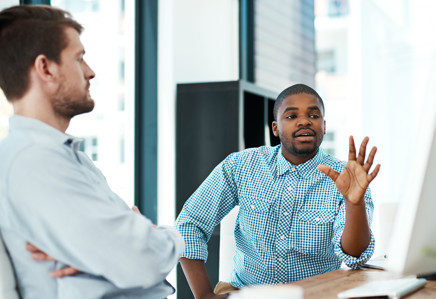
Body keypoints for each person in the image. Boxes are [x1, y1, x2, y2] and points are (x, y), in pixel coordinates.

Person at [0, 5, 184, 298]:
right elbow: (142, 260)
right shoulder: (35, 161)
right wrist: (160, 236)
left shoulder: (69, 157)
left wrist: (124, 247)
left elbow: (133, 252)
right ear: (45, 68)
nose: (90, 72)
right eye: (79, 58)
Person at [175, 83, 381, 298]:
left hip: (318, 294)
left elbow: (355, 256)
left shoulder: (348, 177)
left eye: (314, 115)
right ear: (275, 128)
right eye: (291, 116)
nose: (304, 121)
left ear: (324, 126)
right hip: (245, 293)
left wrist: (353, 202)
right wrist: (204, 295)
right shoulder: (241, 165)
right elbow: (189, 224)